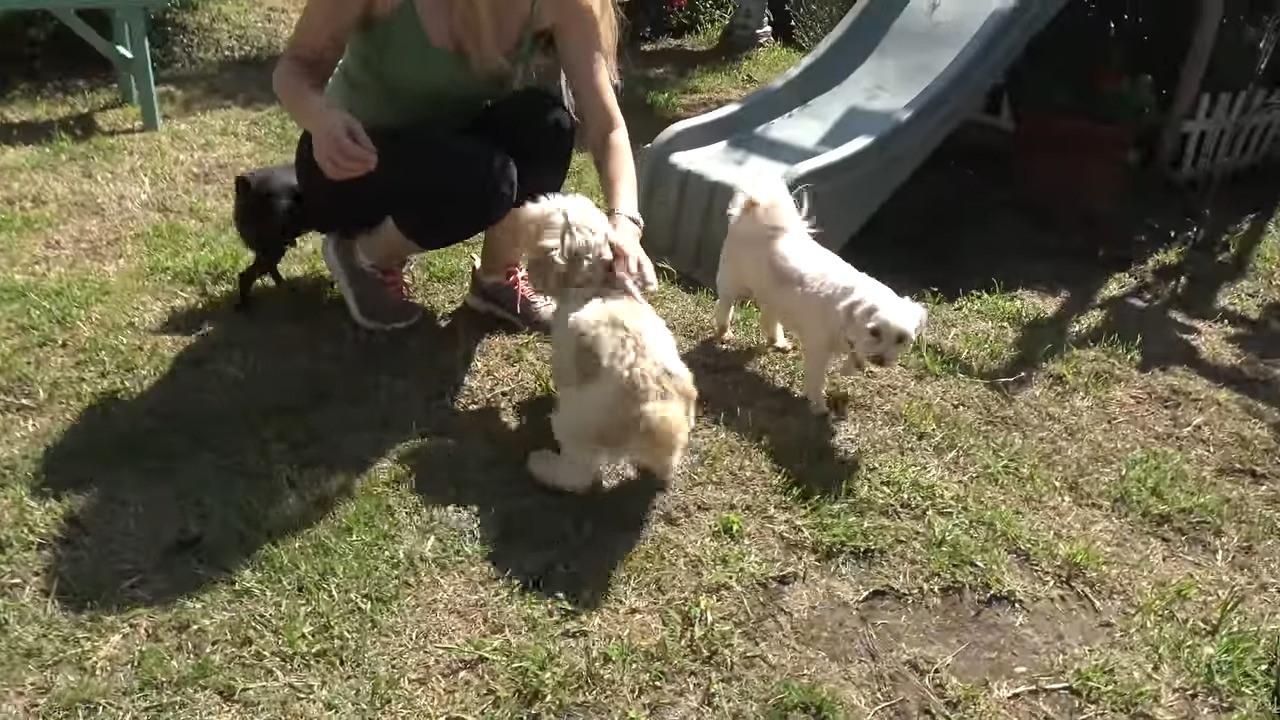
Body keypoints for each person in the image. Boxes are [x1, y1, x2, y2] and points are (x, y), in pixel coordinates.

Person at [273, 0, 656, 332]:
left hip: (450, 152)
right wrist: (321, 119)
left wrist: (625, 222)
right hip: (348, 166)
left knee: (548, 126)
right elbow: (294, 68)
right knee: (484, 178)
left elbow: (607, 127)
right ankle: (362, 255)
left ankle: (496, 278)